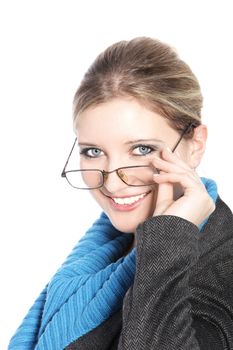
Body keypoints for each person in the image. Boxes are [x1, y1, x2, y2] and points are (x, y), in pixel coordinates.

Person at [8, 37, 233, 350]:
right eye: (93, 151)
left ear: (196, 144)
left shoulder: (222, 265)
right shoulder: (102, 252)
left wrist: (167, 241)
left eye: (141, 149)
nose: (112, 184)